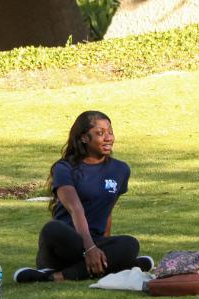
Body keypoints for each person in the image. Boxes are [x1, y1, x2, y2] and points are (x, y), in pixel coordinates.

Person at [15, 111, 152, 283]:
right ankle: (123, 266)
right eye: (100, 133)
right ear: (84, 138)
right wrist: (90, 248)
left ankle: (56, 276)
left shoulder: (120, 169)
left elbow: (107, 212)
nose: (108, 138)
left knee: (130, 244)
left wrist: (101, 246)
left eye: (110, 131)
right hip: (66, 242)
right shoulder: (64, 168)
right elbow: (75, 209)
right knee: (52, 228)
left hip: (95, 241)